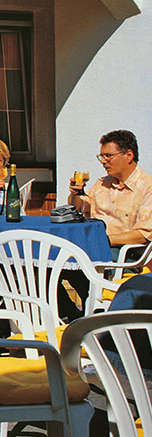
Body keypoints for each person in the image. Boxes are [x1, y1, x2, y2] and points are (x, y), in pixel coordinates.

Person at [60, 129, 152, 319]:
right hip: (93, 248)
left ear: (128, 155)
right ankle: (74, 317)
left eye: (108, 156)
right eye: (101, 156)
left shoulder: (147, 188)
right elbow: (80, 210)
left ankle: (91, 315)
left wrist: (103, 240)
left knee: (73, 263)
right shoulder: (103, 183)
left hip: (123, 255)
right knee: (46, 267)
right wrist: (76, 194)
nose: (103, 161)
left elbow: (143, 234)